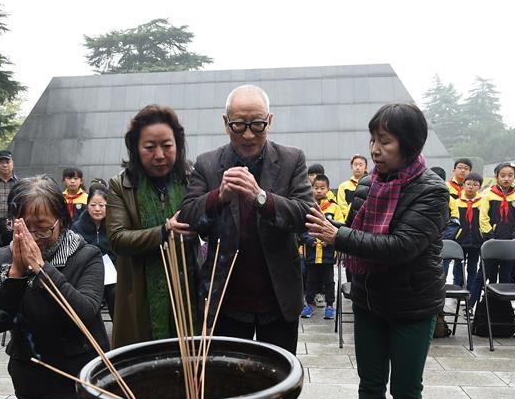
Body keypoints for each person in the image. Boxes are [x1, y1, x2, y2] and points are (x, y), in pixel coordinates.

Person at [305, 103, 449, 399]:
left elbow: (402, 246)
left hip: (412, 305)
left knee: (406, 392)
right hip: (368, 300)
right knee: (369, 387)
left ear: (409, 144)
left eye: (385, 141)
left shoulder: (432, 191)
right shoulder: (368, 183)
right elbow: (359, 230)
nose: (375, 150)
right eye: (373, 140)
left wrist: (337, 236)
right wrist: (327, 227)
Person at [179, 85, 313, 355]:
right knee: (229, 385)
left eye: (258, 124)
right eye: (239, 125)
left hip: (278, 298)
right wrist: (219, 196)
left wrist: (261, 198)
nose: (249, 134)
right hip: (227, 299)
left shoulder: (292, 159)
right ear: (226, 123)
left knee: (278, 381)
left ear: (270, 121)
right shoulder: (207, 163)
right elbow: (188, 217)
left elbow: (305, 216)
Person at [0, 177, 108, 399]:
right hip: (29, 373)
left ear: (62, 221)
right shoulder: (3, 258)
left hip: (80, 371)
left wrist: (42, 270)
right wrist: (15, 276)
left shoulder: (87, 255)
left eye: (42, 229)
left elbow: (85, 312)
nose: (32, 238)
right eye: (23, 228)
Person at [106, 105, 197, 348]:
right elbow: (117, 238)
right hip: (140, 295)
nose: (159, 155)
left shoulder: (191, 180)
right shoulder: (120, 186)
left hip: (188, 293)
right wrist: (164, 232)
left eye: (167, 146)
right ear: (136, 148)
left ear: (177, 145)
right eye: (149, 147)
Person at [301, 174, 344, 320]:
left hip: (327, 253)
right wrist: (309, 240)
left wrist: (330, 240)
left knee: (329, 281)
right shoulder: (307, 207)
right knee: (310, 280)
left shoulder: (334, 207)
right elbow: (302, 229)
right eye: (315, 188)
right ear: (311, 188)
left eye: (322, 188)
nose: (318, 191)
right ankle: (309, 305)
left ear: (328, 189)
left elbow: (340, 228)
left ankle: (330, 306)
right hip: (312, 253)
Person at [479, 162, 515, 284]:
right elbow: (483, 217)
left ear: (514, 177)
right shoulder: (488, 195)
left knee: (506, 274)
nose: (506, 178)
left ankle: (504, 302)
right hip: (492, 240)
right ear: (496, 177)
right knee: (486, 273)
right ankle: (480, 301)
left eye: (510, 175)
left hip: (511, 241)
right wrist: (490, 235)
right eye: (503, 175)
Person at [75, 183, 116, 318]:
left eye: (102, 205)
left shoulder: (115, 225)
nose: (97, 209)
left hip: (112, 275)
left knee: (116, 294)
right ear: (87, 205)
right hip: (87, 275)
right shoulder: (77, 227)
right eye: (93, 205)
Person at [444, 172, 484, 307]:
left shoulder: (482, 202)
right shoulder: (456, 202)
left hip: (477, 240)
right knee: (458, 265)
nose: (471, 187)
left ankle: (470, 291)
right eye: (468, 184)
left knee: (473, 266)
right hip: (460, 239)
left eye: (475, 184)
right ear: (464, 185)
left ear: (480, 186)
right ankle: (457, 289)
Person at [337, 154, 369, 221]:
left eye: (360, 165)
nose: (357, 167)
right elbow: (342, 205)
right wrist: (350, 216)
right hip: (349, 220)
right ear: (351, 166)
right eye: (355, 165)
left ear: (366, 167)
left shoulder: (370, 184)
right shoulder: (343, 186)